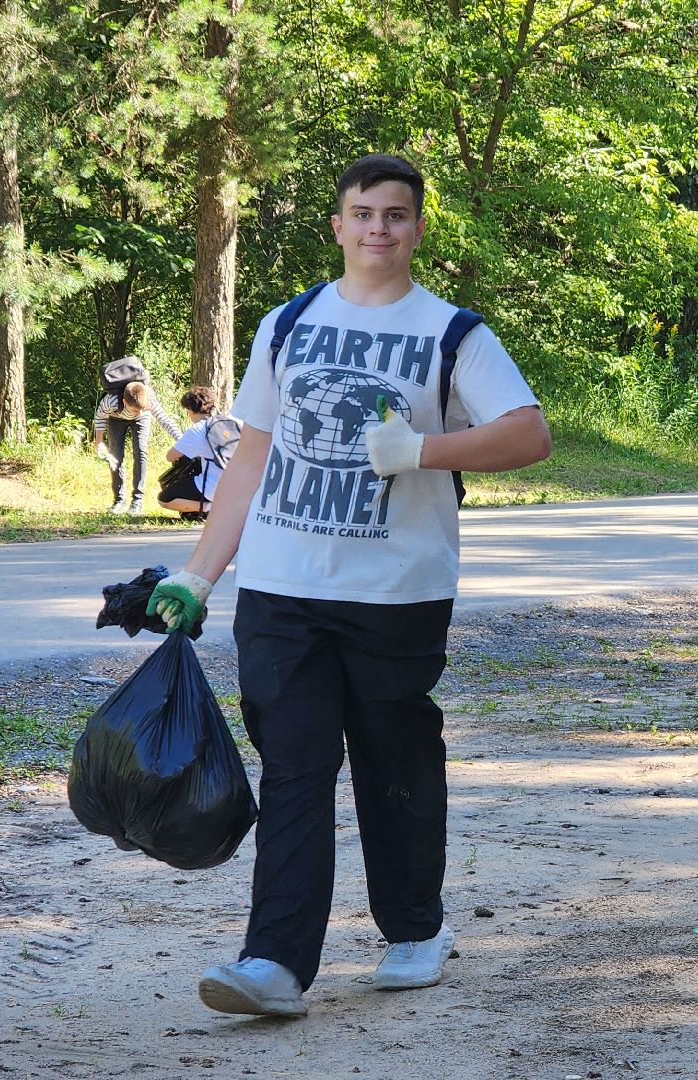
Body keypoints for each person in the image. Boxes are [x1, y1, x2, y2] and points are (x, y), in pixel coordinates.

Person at [144, 153, 551, 1019]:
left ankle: (414, 931)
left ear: (417, 229)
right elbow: (250, 460)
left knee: (393, 761)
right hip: (282, 588)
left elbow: (528, 434)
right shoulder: (287, 324)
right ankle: (275, 964)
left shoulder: (453, 334)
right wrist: (199, 573)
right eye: (363, 214)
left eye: (395, 215)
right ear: (337, 225)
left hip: (398, 592)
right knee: (295, 766)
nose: (378, 229)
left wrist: (423, 450)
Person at [93, 371, 183, 514]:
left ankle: (137, 501)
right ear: (124, 402)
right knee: (115, 456)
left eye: (142, 409)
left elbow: (164, 420)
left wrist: (182, 441)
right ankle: (119, 500)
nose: (138, 413)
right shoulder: (111, 401)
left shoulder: (148, 400)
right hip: (116, 419)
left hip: (142, 421)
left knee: (141, 453)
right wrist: (99, 442)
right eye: (135, 410)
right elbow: (99, 418)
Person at [158, 386, 236, 522]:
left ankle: (209, 507)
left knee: (164, 498)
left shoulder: (198, 430)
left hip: (214, 487)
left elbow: (170, 456)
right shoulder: (231, 423)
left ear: (191, 410)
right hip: (238, 484)